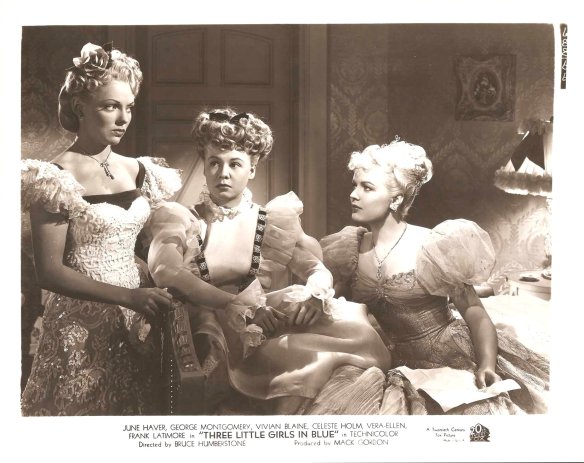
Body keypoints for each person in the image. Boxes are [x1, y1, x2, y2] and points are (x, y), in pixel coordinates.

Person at [145, 108, 391, 414]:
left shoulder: (271, 220)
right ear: (204, 167)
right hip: (208, 329)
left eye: (235, 164)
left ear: (252, 169)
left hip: (263, 321)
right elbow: (165, 270)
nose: (223, 173)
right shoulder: (183, 218)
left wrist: (316, 294)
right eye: (214, 163)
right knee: (293, 359)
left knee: (356, 330)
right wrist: (240, 307)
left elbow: (315, 267)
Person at [317, 138, 549, 414]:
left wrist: (487, 364)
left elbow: (475, 312)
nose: (353, 195)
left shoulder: (431, 245)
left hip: (449, 356)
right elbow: (331, 307)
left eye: (366, 187)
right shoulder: (349, 249)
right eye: (355, 185)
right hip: (389, 362)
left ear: (396, 198)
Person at [20, 42, 181, 416]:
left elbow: (136, 245)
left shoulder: (139, 170)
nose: (123, 118)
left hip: (137, 318)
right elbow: (50, 272)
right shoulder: (54, 176)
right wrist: (128, 297)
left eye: (129, 107)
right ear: (80, 107)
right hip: (80, 323)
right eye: (110, 106)